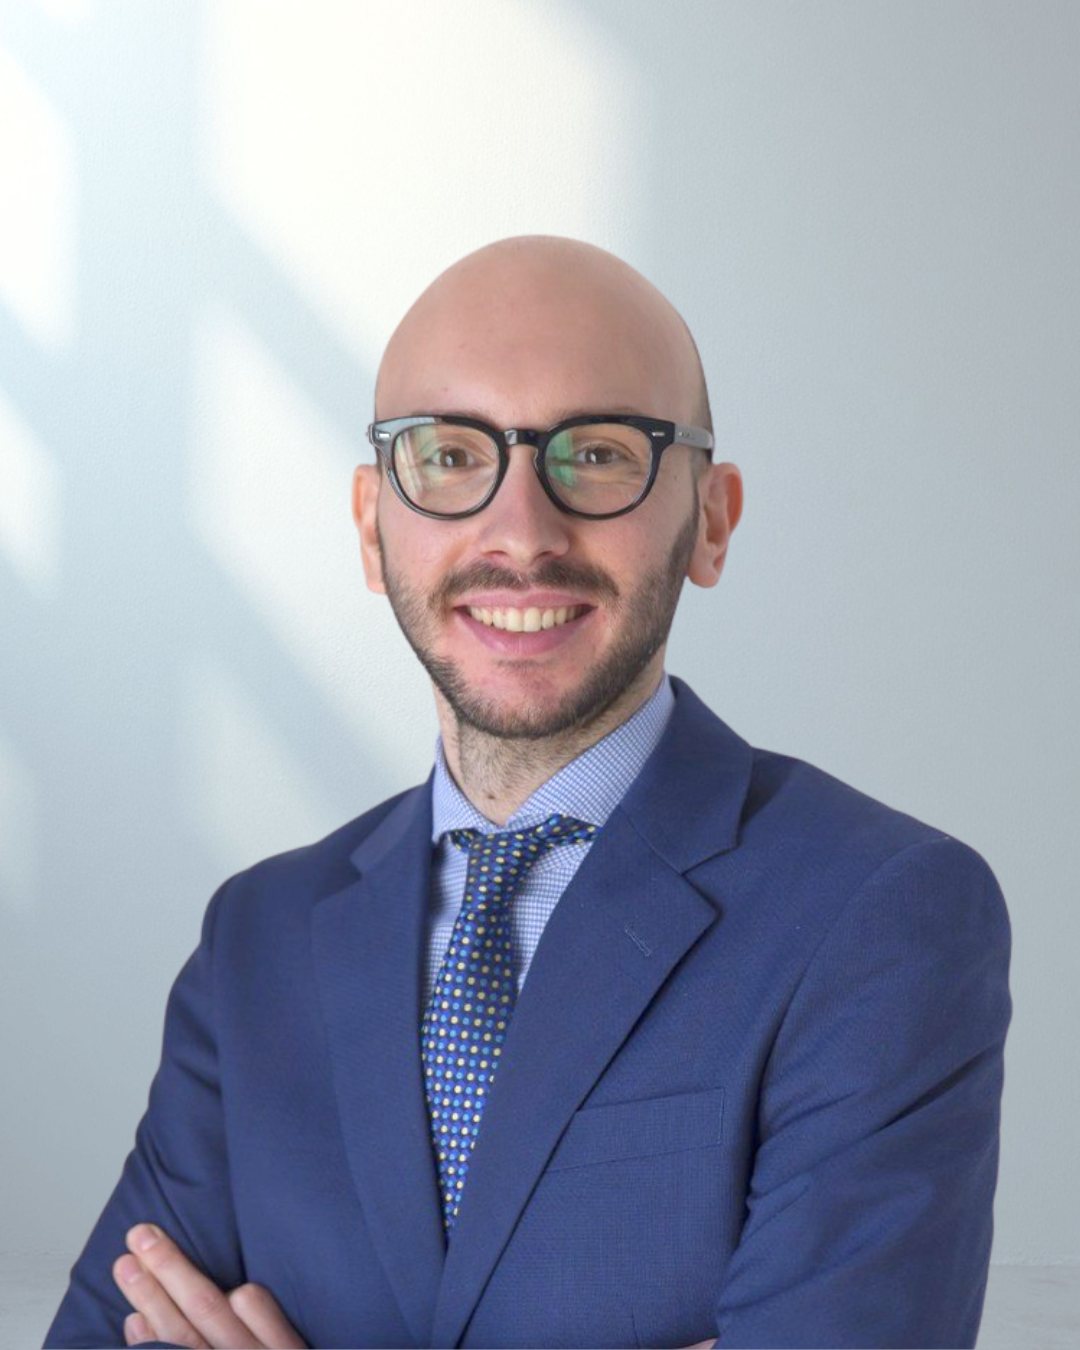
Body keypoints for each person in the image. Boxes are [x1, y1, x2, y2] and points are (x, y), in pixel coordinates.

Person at [43, 235, 1012, 1350]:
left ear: (711, 521)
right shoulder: (257, 941)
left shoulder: (881, 918)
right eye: (450, 455)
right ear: (371, 526)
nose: (521, 533)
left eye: (597, 453)